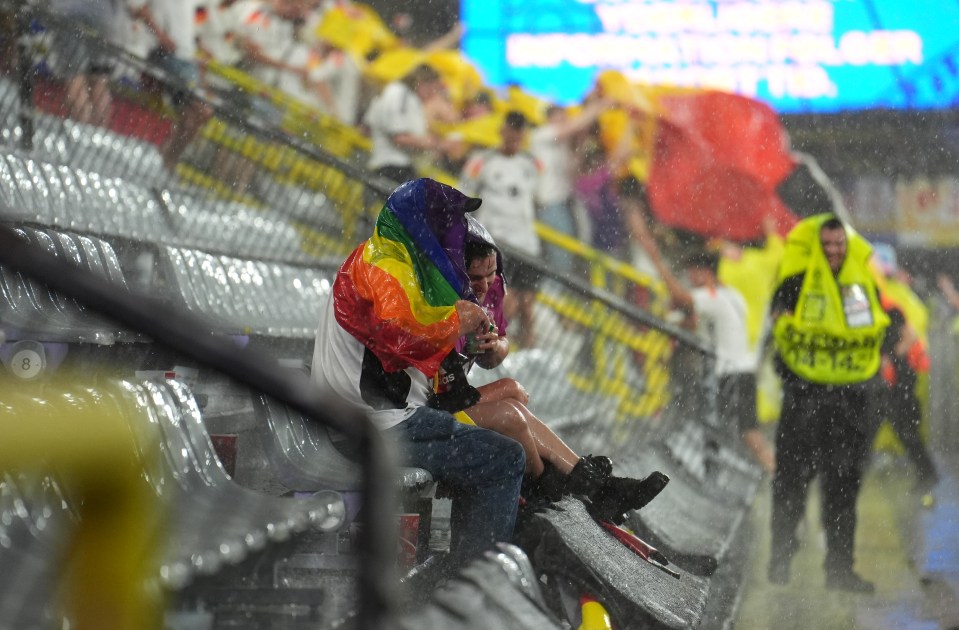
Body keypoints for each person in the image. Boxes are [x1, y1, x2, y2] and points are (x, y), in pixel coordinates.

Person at [310, 178, 526, 577]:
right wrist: (455, 322)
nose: (455, 236)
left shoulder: (392, 260)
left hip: (374, 418)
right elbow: (398, 340)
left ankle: (452, 568)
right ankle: (473, 585)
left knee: (496, 445)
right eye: (448, 225)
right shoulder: (387, 268)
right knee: (505, 458)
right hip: (372, 426)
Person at [436, 232, 669, 523]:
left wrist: (493, 345)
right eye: (475, 278)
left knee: (515, 400)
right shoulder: (441, 301)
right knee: (512, 407)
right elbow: (442, 384)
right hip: (429, 406)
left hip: (447, 396)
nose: (485, 285)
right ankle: (555, 487)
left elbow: (496, 351)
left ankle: (583, 482)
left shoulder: (488, 293)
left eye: (492, 275)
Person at [766, 214, 890, 593]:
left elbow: (871, 334)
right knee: (791, 485)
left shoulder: (857, 287)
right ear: (817, 246)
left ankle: (839, 571)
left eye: (840, 244)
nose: (834, 251)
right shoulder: (794, 284)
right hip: (804, 400)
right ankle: (780, 563)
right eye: (828, 244)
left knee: (843, 488)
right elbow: (779, 331)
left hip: (847, 405)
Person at [636, 237, 776, 474]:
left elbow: (683, 300)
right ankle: (755, 474)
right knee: (729, 434)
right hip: (740, 372)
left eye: (692, 273)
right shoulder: (729, 295)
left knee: (746, 435)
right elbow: (694, 322)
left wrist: (657, 263)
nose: (690, 279)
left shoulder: (713, 296)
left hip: (732, 374)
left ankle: (778, 476)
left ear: (704, 272)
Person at [458, 111, 542, 348]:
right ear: (502, 131)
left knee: (527, 303)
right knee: (506, 301)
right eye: (511, 132)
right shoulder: (482, 162)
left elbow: (539, 196)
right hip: (496, 243)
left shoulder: (530, 164)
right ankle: (487, 347)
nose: (514, 138)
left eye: (519, 134)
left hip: (526, 245)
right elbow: (464, 197)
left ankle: (526, 352)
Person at [127, 0, 213, 170]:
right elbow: (138, 7)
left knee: (195, 117)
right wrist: (161, 36)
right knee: (200, 111)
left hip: (186, 60)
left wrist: (200, 50)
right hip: (164, 54)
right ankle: (168, 160)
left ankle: (166, 158)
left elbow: (190, 29)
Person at [363, 64, 452, 185]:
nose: (432, 95)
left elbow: (367, 127)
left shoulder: (408, 98)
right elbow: (399, 136)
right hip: (392, 166)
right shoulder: (400, 93)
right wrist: (429, 143)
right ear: (422, 83)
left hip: (395, 167)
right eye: (432, 89)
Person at [47, 0, 122, 127]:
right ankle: (99, 137)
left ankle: (81, 135)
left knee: (74, 78)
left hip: (69, 12)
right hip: (103, 14)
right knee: (99, 81)